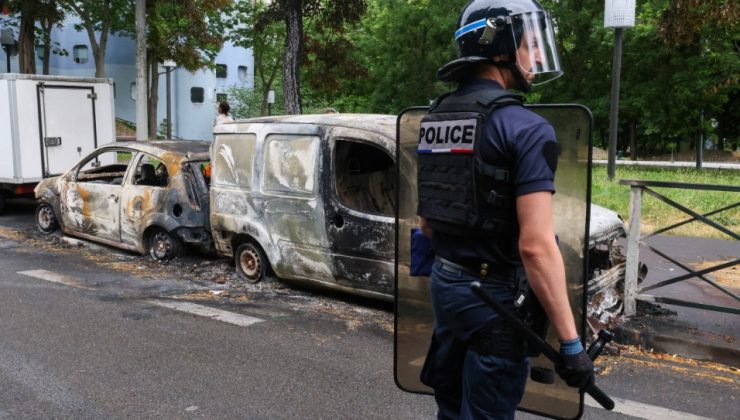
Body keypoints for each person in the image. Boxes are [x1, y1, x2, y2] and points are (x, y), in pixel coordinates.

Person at [417, 0, 595, 418]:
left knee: (451, 405)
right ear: (499, 46)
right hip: (495, 301)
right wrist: (571, 345)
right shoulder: (528, 129)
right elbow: (535, 247)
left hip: (446, 287)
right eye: (531, 44)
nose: (537, 57)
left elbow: (426, 224)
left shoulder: (436, 117)